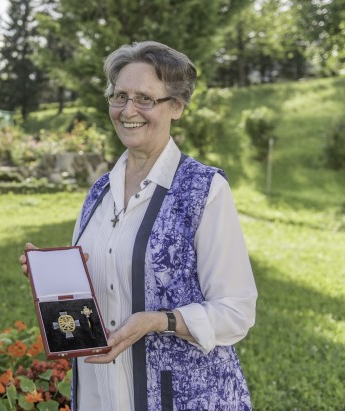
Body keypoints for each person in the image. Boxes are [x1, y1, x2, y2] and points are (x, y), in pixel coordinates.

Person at [19, 41, 258, 410]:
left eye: (145, 99)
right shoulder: (99, 191)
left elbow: (236, 311)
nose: (128, 110)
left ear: (176, 106)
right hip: (100, 392)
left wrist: (157, 321)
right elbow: (94, 294)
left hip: (180, 397)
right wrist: (51, 276)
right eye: (120, 97)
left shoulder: (204, 190)